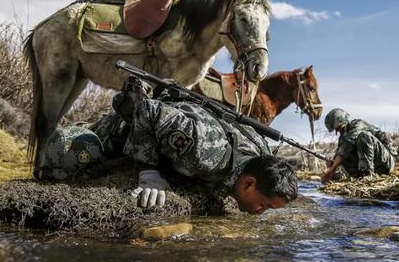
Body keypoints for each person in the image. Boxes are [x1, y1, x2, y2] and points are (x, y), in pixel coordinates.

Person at [118, 77, 298, 214]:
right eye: (265, 205)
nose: (261, 212)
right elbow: (148, 109)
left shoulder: (262, 154)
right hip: (129, 125)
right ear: (248, 184)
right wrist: (149, 173)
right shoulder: (204, 152)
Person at [321, 108, 396, 183]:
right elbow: (339, 156)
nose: (338, 131)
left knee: (363, 136)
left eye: (338, 128)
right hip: (374, 167)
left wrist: (332, 167)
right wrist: (331, 166)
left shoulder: (358, 124)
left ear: (343, 122)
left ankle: (367, 175)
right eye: (336, 129)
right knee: (341, 159)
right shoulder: (343, 138)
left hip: (386, 163)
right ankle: (359, 177)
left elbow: (347, 147)